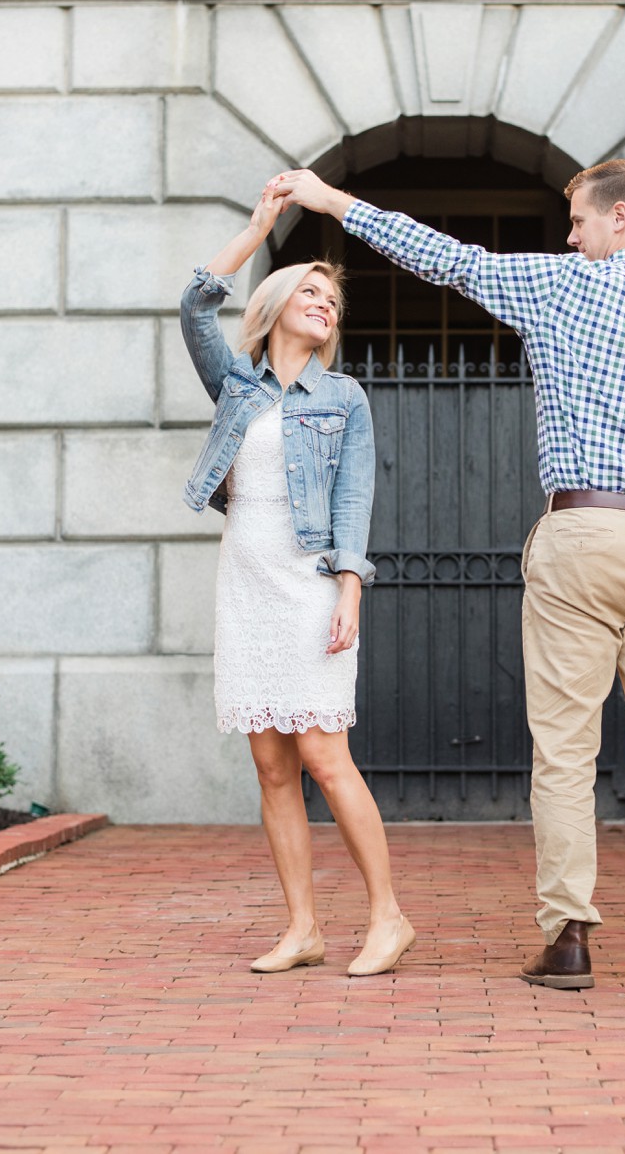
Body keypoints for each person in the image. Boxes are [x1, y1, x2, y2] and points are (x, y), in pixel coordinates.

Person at [270, 158, 625, 994]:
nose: (568, 235)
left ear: (618, 219)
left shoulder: (564, 285)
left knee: (567, 751)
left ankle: (569, 939)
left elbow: (443, 256)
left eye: (577, 219)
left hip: (581, 533)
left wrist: (331, 201)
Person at [180, 181, 415, 978]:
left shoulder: (343, 397)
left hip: (308, 584)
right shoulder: (236, 387)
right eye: (310, 293)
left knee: (323, 755)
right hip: (244, 585)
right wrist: (256, 229)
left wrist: (350, 586)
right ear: (276, 304)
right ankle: (303, 927)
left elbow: (356, 499)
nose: (325, 305)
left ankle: (388, 917)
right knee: (271, 766)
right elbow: (193, 304)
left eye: (332, 301)